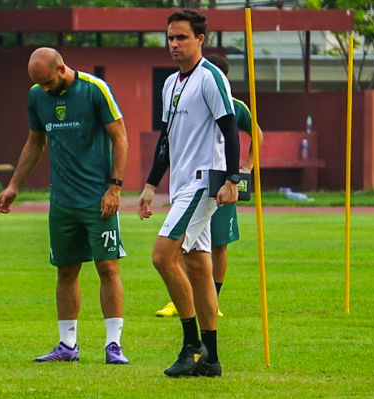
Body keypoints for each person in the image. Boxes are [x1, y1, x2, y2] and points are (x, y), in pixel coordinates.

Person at [0, 47, 129, 365]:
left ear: (61, 69)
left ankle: (114, 345)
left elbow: (120, 138)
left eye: (46, 82)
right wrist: (14, 185)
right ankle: (68, 346)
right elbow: (34, 143)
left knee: (107, 267)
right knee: (66, 270)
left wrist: (115, 188)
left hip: (98, 199)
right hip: (63, 201)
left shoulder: (95, 90)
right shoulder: (36, 96)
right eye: (37, 84)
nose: (43, 89)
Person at [137, 10, 240, 378]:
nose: (174, 44)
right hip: (180, 184)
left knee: (163, 256)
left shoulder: (211, 78)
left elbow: (230, 131)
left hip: (203, 183)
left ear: (200, 39)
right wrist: (151, 184)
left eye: (181, 37)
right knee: (198, 266)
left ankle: (190, 344)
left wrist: (233, 180)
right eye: (170, 38)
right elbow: (165, 140)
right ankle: (210, 359)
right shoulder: (170, 84)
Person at [153, 54, 264, 318]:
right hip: (193, 181)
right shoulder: (186, 96)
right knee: (186, 243)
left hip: (223, 182)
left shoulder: (236, 106)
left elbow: (256, 134)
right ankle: (185, 299)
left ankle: (214, 298)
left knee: (219, 243)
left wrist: (244, 169)